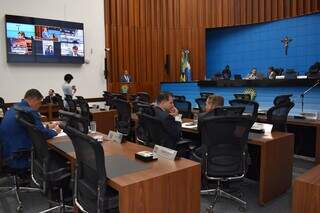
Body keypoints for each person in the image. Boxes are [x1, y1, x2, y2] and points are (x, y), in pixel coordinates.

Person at [0, 89, 61, 169]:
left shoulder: (14, 108)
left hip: (8, 154)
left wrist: (48, 127)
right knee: (59, 156)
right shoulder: (29, 111)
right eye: (39, 103)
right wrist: (55, 131)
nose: (39, 106)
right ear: (34, 100)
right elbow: (41, 134)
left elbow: (30, 128)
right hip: (21, 157)